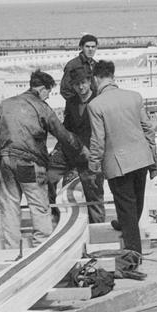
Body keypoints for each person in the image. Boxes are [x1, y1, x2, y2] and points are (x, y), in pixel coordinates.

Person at [0, 70, 86, 249]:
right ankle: (41, 248)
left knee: (9, 205)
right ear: (42, 89)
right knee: (39, 205)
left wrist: (1, 159)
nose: (47, 98)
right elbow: (62, 134)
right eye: (48, 93)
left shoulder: (6, 105)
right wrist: (81, 149)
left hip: (5, 161)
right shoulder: (41, 107)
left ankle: (11, 250)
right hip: (29, 163)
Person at [86, 60, 157, 259]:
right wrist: (153, 160)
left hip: (118, 163)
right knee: (136, 201)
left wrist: (93, 166)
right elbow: (148, 130)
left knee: (126, 206)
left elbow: (98, 140)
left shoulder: (95, 105)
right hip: (141, 158)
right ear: (113, 76)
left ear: (95, 79)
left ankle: (133, 253)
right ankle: (125, 225)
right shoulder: (134, 97)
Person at [46, 68, 106, 223]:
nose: (81, 87)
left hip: (92, 153)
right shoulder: (71, 102)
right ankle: (56, 215)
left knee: (94, 192)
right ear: (72, 86)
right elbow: (67, 128)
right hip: (72, 151)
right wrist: (58, 148)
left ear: (89, 83)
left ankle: (97, 226)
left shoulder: (99, 100)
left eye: (83, 83)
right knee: (48, 176)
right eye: (77, 84)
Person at [60, 34, 98, 102]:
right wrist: (78, 104)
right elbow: (64, 89)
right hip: (79, 107)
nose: (90, 49)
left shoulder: (96, 65)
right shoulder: (72, 65)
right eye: (87, 46)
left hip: (95, 105)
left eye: (93, 47)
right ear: (81, 47)